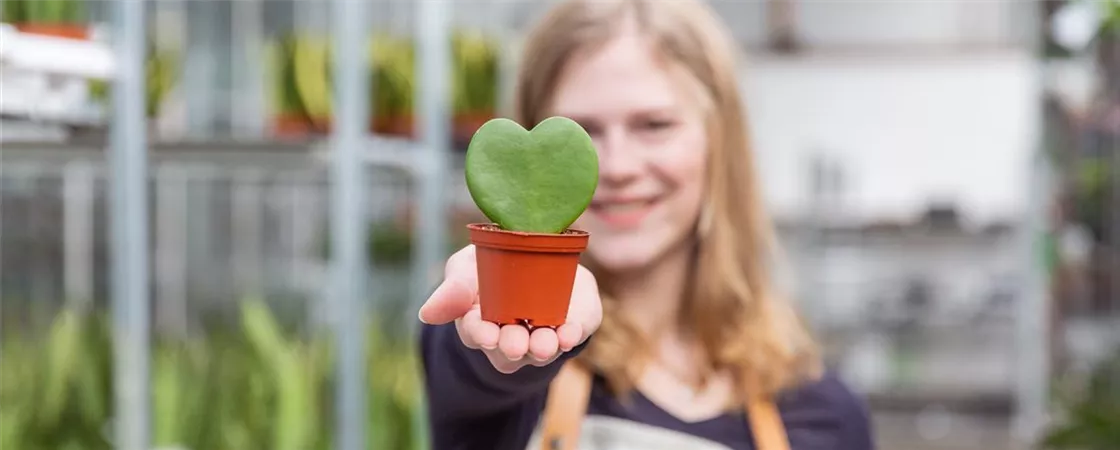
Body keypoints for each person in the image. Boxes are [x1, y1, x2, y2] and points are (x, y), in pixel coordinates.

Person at [417, 0, 874, 449]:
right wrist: (512, 312)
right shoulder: (498, 366)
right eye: (585, 130)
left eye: (654, 125)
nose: (617, 166)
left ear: (720, 143)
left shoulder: (824, 415)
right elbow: (481, 364)